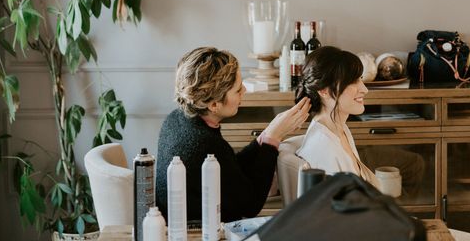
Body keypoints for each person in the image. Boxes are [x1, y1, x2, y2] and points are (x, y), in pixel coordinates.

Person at [156, 47, 310, 222]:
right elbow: (251, 205)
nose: (244, 90)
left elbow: (230, 169)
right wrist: (273, 140)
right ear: (214, 105)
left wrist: (265, 136)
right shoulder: (204, 143)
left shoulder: (176, 119)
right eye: (237, 90)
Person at [295, 46, 378, 186]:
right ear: (324, 90)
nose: (365, 89)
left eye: (361, 79)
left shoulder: (339, 128)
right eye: (353, 81)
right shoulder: (324, 149)